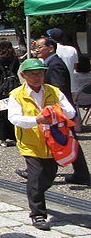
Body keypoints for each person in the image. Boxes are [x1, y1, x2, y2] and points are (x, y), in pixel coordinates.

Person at [7, 58, 78, 229]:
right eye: (33, 74)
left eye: (40, 73)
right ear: (23, 75)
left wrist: (56, 112)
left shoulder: (54, 91)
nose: (37, 77)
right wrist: (37, 120)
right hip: (30, 143)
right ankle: (38, 214)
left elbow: (71, 111)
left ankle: (35, 193)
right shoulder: (16, 94)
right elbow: (14, 118)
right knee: (37, 176)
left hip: (54, 142)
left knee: (49, 174)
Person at [34, 37, 90, 185]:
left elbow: (59, 88)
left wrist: (53, 107)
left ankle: (80, 174)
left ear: (50, 48)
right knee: (68, 140)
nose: (36, 49)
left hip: (59, 111)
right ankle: (81, 173)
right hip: (57, 111)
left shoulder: (55, 65)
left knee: (65, 140)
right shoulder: (50, 63)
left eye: (40, 47)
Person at [0, 40, 18, 146]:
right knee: (13, 109)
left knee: (1, 111)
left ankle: (3, 138)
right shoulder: (15, 59)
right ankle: (14, 135)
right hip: (13, 86)